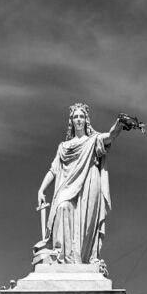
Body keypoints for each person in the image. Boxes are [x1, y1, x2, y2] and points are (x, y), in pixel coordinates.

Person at [36, 103, 128, 265]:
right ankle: (63, 255)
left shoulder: (93, 140)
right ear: (71, 121)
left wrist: (119, 123)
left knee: (85, 225)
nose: (78, 119)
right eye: (75, 117)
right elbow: (53, 169)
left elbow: (110, 136)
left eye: (81, 116)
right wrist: (41, 190)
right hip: (67, 186)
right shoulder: (63, 146)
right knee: (62, 206)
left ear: (86, 120)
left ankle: (81, 260)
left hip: (89, 184)